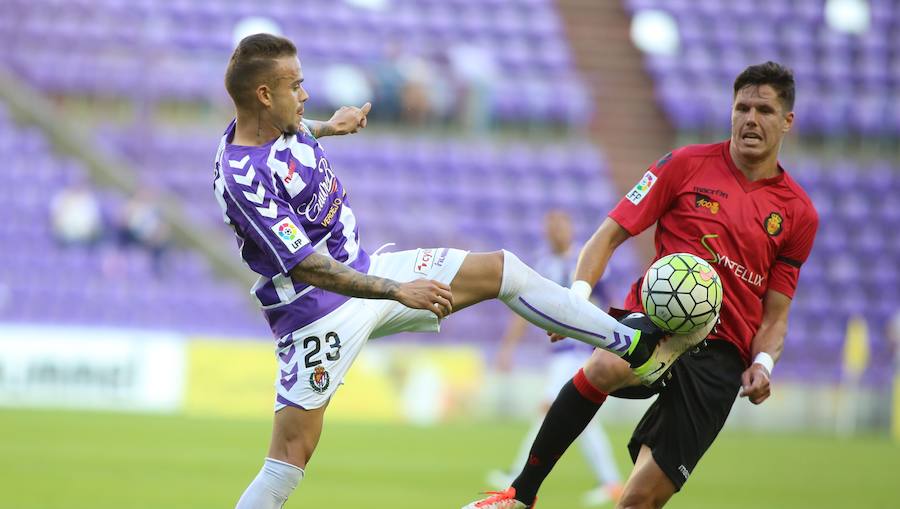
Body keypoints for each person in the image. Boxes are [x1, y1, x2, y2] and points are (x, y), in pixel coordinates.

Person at [213, 34, 701, 509]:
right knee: (287, 462)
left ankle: (633, 346)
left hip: (366, 270)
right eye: (296, 85)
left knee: (502, 270)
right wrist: (398, 290)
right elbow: (308, 266)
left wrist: (328, 127)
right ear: (263, 94)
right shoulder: (241, 179)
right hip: (316, 317)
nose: (306, 93)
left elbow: (294, 133)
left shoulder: (279, 122)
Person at [464, 61, 819, 509]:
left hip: (723, 354)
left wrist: (763, 362)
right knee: (605, 366)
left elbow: (776, 313)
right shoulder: (684, 165)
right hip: (657, 320)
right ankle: (520, 494)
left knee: (639, 501)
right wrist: (576, 304)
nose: (750, 119)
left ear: (787, 120)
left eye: (764, 110)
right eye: (742, 107)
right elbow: (607, 236)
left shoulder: (798, 213)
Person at [490, 210, 623, 506]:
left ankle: (518, 475)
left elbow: (610, 302)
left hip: (580, 348)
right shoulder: (543, 264)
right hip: (559, 351)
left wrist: (610, 339)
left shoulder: (587, 259)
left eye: (561, 226)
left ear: (570, 229)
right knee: (578, 417)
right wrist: (508, 347)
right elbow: (523, 308)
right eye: (550, 227)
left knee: (550, 408)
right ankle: (612, 482)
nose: (556, 233)